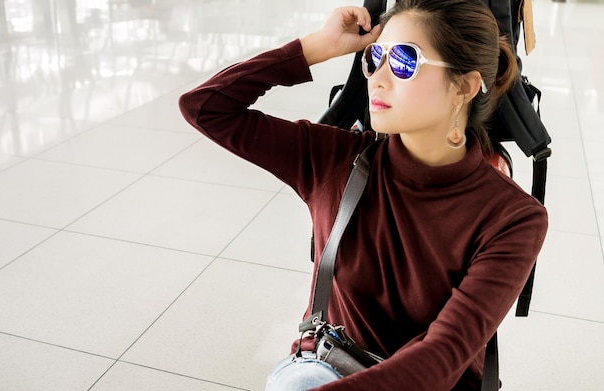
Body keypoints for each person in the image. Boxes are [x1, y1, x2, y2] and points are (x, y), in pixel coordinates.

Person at [179, 0, 548, 389]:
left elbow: (442, 355)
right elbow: (205, 107)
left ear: (464, 87)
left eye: (405, 60)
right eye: (375, 57)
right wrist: (317, 46)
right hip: (328, 367)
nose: (378, 77)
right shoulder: (334, 160)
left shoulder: (514, 217)